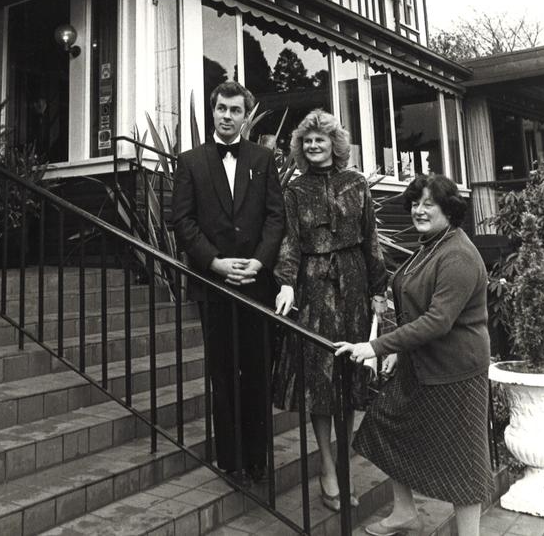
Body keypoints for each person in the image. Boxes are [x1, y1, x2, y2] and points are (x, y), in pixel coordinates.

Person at [336, 173, 493, 536]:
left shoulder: (459, 255)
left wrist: (376, 346)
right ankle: (405, 511)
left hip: (455, 371)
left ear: (448, 210)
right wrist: (398, 349)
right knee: (384, 426)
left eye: (428, 204)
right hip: (419, 364)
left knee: (464, 461)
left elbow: (438, 321)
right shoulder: (431, 244)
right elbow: (411, 306)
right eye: (415, 203)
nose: (418, 211)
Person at [273, 109, 388, 511]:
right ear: (300, 147)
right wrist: (287, 281)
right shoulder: (295, 188)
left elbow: (372, 237)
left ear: (334, 144)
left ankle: (344, 462)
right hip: (313, 285)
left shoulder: (357, 183)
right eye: (307, 140)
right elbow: (289, 240)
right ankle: (327, 465)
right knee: (318, 379)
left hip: (354, 283)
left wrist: (379, 289)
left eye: (321, 138)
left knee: (350, 375)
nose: (314, 144)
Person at [172, 80, 285, 484]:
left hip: (257, 284)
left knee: (256, 371)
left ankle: (258, 459)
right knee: (223, 371)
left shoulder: (264, 158)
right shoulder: (190, 162)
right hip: (214, 284)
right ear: (213, 110)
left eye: (235, 110)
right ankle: (231, 460)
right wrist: (216, 263)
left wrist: (258, 262)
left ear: (245, 115)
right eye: (221, 108)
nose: (226, 116)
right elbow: (182, 221)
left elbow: (276, 217)